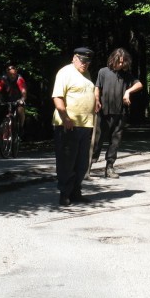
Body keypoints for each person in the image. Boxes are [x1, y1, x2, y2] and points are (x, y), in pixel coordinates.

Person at [52, 47, 98, 206]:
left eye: (88, 62)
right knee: (67, 162)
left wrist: (95, 101)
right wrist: (65, 118)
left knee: (82, 162)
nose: (85, 64)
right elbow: (57, 97)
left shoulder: (87, 74)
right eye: (82, 61)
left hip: (86, 124)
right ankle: (64, 194)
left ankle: (76, 192)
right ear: (74, 58)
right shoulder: (65, 72)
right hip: (68, 125)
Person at [92, 47, 143, 178]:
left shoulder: (126, 75)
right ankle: (88, 165)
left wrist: (128, 91)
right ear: (113, 59)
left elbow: (139, 84)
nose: (121, 64)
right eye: (119, 62)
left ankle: (109, 167)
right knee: (97, 140)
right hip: (103, 112)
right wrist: (96, 100)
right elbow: (97, 87)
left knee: (115, 141)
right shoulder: (103, 72)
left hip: (121, 113)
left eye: (123, 62)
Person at [0, 64, 27, 132]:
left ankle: (21, 127)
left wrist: (22, 99)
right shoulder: (3, 79)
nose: (12, 76)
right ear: (7, 74)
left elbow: (23, 92)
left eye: (14, 74)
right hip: (5, 100)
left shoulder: (19, 79)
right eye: (10, 74)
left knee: (20, 109)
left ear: (16, 73)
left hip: (17, 100)